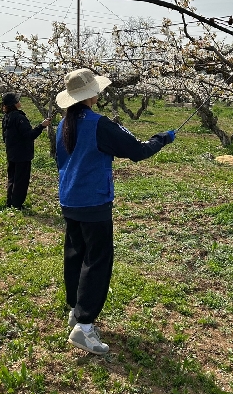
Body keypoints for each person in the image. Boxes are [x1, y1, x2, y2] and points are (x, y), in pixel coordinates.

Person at [55, 68, 176, 355]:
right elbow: (137, 150)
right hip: (94, 202)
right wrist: (163, 138)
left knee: (75, 254)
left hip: (69, 198)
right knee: (97, 262)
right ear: (91, 95)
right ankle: (84, 326)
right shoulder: (99, 124)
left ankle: (76, 308)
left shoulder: (64, 124)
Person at [1, 92, 51, 210]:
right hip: (22, 154)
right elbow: (29, 135)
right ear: (14, 104)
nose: (20, 101)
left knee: (12, 177)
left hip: (11, 153)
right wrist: (42, 126)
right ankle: (17, 204)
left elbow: (5, 136)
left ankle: (10, 202)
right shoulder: (19, 118)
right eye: (17, 100)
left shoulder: (6, 117)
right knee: (21, 180)